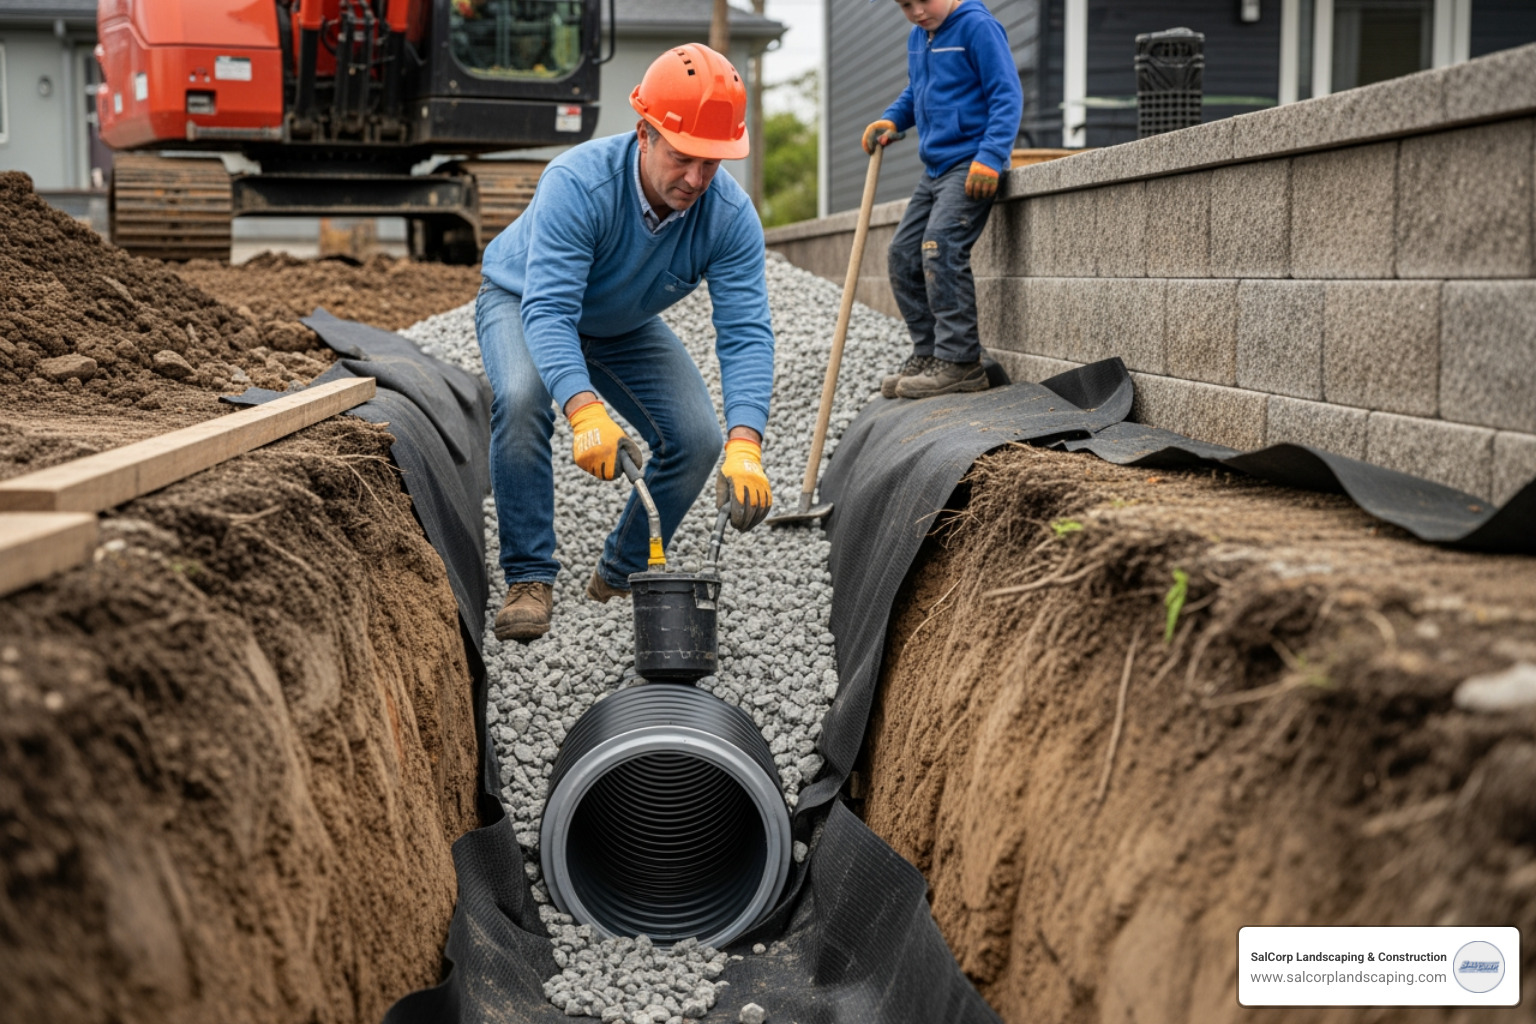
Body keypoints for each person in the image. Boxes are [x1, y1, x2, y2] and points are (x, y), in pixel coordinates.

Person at [476, 43, 775, 644]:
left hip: (621, 322)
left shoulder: (730, 216)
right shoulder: (578, 184)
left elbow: (745, 331)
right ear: (644, 133)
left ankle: (619, 572)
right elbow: (551, 310)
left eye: (712, 164)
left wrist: (747, 442)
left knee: (697, 439)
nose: (695, 180)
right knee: (523, 397)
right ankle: (529, 578)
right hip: (522, 299)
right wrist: (584, 408)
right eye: (683, 157)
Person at [863, 0, 1023, 400]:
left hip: (970, 164)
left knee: (940, 247)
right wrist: (893, 120)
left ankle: (960, 363)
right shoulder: (920, 36)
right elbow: (917, 90)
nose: (916, 12)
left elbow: (1006, 94)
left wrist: (990, 157)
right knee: (902, 254)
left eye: (922, 1)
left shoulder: (978, 28)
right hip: (934, 170)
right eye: (905, 5)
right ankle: (931, 352)